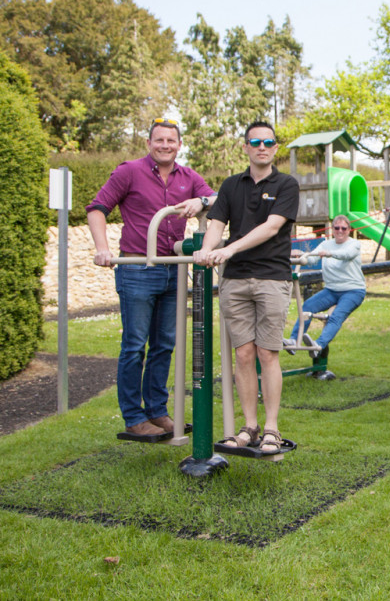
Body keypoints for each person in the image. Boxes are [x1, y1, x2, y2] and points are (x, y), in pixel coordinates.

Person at [87, 118, 215, 437]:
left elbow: (218, 200)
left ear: (179, 145)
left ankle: (157, 411)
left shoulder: (189, 177)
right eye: (159, 140)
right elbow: (97, 208)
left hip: (174, 269)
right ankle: (133, 417)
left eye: (171, 141)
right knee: (134, 345)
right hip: (138, 269)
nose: (165, 146)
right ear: (149, 143)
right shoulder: (129, 171)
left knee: (165, 344)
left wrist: (202, 201)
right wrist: (102, 248)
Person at [194, 121, 299, 455]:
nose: (262, 147)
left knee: (267, 353)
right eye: (255, 141)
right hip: (235, 280)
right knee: (243, 354)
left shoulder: (286, 184)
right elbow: (216, 225)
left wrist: (228, 248)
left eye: (268, 141)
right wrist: (208, 249)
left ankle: (272, 428)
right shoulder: (230, 186)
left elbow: (271, 227)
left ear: (276, 147)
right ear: (246, 147)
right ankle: (249, 427)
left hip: (271, 276)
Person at [284, 214, 366, 360]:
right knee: (307, 306)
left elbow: (346, 255)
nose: (340, 231)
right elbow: (312, 258)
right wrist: (300, 255)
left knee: (335, 317)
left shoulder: (354, 244)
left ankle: (318, 346)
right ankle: (294, 340)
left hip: (353, 290)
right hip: (332, 290)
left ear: (349, 229)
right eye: (337, 228)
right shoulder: (326, 244)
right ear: (333, 229)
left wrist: (329, 254)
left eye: (344, 228)